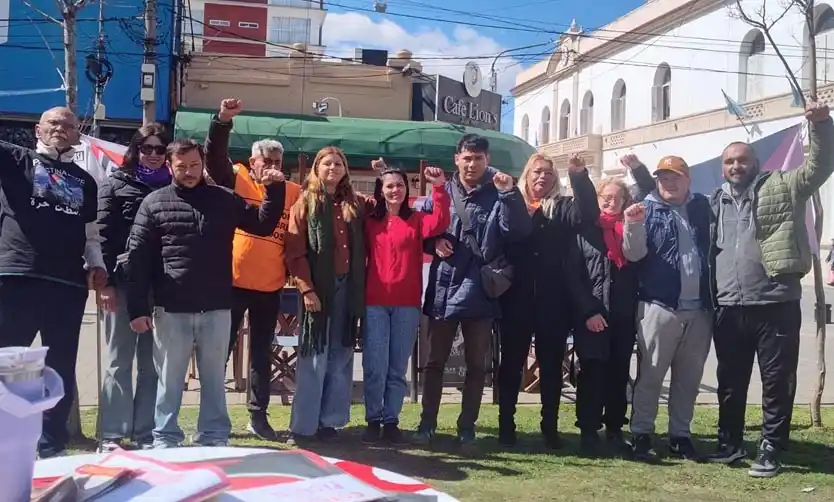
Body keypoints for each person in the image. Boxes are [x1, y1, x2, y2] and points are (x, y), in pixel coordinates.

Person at [124, 139, 286, 448]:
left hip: (216, 306)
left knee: (214, 379)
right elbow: (138, 258)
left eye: (194, 165)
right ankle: (166, 438)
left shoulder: (224, 199)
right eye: (181, 166)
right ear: (170, 166)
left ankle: (213, 437)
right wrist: (137, 308)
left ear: (203, 165)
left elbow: (262, 224)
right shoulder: (154, 203)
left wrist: (274, 191)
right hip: (171, 307)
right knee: (170, 380)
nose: (188, 171)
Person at [707, 100, 834, 478]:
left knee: (777, 381)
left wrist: (823, 125)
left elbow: (820, 165)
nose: (736, 167)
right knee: (730, 379)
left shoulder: (783, 184)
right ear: (722, 167)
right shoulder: (714, 202)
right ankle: (729, 442)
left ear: (756, 162)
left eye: (742, 160)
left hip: (775, 301)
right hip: (729, 305)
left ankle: (770, 448)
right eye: (729, 162)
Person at [0, 107, 107, 458]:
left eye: (69, 125)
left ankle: (51, 446)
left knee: (59, 367)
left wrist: (97, 266)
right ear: (38, 129)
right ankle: (7, 445)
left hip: (68, 285)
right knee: (7, 364)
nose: (61, 129)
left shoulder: (86, 181)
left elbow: (91, 236)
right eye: (54, 124)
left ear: (78, 133)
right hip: (18, 277)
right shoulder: (16, 160)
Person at [414, 134, 532, 446]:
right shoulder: (442, 192)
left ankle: (467, 425)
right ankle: (427, 423)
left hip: (480, 289)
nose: (471, 163)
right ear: (457, 159)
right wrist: (432, 242)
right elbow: (421, 230)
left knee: (477, 366)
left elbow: (518, 231)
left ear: (487, 160)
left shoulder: (500, 193)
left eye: (478, 158)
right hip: (444, 286)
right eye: (466, 157)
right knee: (434, 362)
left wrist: (510, 196)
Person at [203, 98, 303, 440]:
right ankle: (212, 417)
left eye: (277, 162)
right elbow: (214, 157)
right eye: (266, 161)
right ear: (253, 163)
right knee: (220, 351)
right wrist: (222, 121)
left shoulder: (293, 192)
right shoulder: (237, 178)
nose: (272, 167)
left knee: (262, 355)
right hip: (229, 282)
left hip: (271, 286)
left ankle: (258, 417)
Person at [496, 152, 598, 449]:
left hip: (553, 301)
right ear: (526, 176)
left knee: (552, 367)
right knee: (511, 365)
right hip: (516, 299)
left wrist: (579, 177)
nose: (543, 177)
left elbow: (588, 213)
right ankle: (506, 425)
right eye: (537, 172)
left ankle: (549, 427)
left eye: (549, 174)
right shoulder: (512, 203)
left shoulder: (562, 207)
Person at [621, 154, 712, 462]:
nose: (668, 184)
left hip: (699, 310)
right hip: (659, 306)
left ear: (688, 179)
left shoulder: (703, 207)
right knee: (650, 376)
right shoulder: (645, 209)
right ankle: (642, 433)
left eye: (674, 177)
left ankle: (680, 436)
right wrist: (632, 225)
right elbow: (633, 256)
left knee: (688, 379)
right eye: (663, 179)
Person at [361, 161, 450, 444]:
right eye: (389, 186)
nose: (395, 190)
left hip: (407, 304)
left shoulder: (416, 220)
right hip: (374, 302)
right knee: (375, 365)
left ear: (406, 189)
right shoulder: (369, 221)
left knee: (397, 367)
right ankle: (373, 419)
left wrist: (439, 188)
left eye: (400, 185)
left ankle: (391, 420)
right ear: (381, 190)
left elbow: (440, 221)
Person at [96, 123, 171, 451]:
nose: (153, 155)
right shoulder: (115, 184)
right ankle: (111, 434)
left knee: (153, 365)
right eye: (147, 148)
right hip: (123, 285)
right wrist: (106, 284)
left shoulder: (174, 186)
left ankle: (145, 433)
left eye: (159, 149)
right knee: (118, 361)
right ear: (136, 150)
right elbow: (101, 235)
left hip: (161, 288)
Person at [284, 146, 366, 443]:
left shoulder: (354, 204)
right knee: (313, 358)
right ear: (317, 168)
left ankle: (329, 422)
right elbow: (295, 253)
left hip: (348, 288)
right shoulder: (305, 202)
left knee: (340, 356)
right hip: (318, 288)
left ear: (345, 169)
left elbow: (388, 205)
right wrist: (306, 289)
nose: (333, 168)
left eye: (339, 163)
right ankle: (303, 427)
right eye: (327, 163)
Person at [570, 176, 641, 456]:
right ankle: (588, 430)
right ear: (597, 199)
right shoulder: (584, 231)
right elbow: (573, 276)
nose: (611, 202)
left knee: (618, 374)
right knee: (592, 374)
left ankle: (614, 429)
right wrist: (588, 310)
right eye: (605, 197)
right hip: (592, 315)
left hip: (623, 315)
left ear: (625, 202)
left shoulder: (629, 232)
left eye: (617, 198)